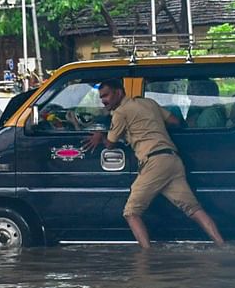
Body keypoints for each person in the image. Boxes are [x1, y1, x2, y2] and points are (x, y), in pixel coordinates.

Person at [81, 78, 225, 249]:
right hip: (172, 160)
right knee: (193, 209)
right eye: (101, 97)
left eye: (106, 96)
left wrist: (99, 136)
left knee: (131, 212)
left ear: (119, 92)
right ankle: (223, 245)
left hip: (154, 163)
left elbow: (110, 144)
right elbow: (175, 121)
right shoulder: (148, 103)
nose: (103, 101)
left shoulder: (121, 112)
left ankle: (147, 257)